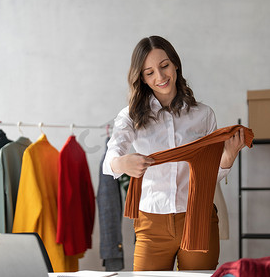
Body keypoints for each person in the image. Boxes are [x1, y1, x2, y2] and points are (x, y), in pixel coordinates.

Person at [103, 35, 246, 271]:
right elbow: (109, 162)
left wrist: (228, 159)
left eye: (164, 66)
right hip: (151, 223)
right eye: (149, 72)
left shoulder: (204, 115)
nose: (160, 77)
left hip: (198, 216)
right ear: (142, 78)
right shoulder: (130, 116)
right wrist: (122, 163)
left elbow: (207, 176)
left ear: (175, 64)